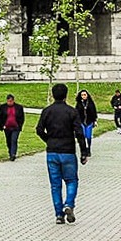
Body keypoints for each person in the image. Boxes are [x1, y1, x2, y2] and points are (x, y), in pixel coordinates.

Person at [36, 83, 89, 224]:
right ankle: (69, 204)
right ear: (66, 95)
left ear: (53, 95)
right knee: (71, 180)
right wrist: (84, 152)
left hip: (52, 152)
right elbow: (79, 133)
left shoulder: (47, 111)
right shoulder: (72, 112)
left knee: (55, 185)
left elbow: (39, 129)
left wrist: (48, 140)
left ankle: (59, 215)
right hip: (68, 152)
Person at [0, 93, 25, 161]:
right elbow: (0, 117)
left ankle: (13, 154)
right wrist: (2, 126)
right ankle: (10, 151)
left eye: (11, 101)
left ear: (13, 100)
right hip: (7, 127)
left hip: (16, 127)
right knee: (8, 140)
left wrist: (20, 126)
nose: (10, 102)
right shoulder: (3, 107)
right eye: (8, 101)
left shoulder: (19, 107)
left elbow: (22, 117)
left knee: (14, 140)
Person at [75, 89, 99, 155]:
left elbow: (94, 112)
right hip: (81, 122)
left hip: (89, 122)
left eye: (85, 95)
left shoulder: (90, 103)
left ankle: (89, 148)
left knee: (88, 136)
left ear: (87, 95)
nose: (83, 96)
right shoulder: (79, 103)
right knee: (82, 136)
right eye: (82, 95)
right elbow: (76, 113)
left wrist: (95, 120)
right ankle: (84, 149)